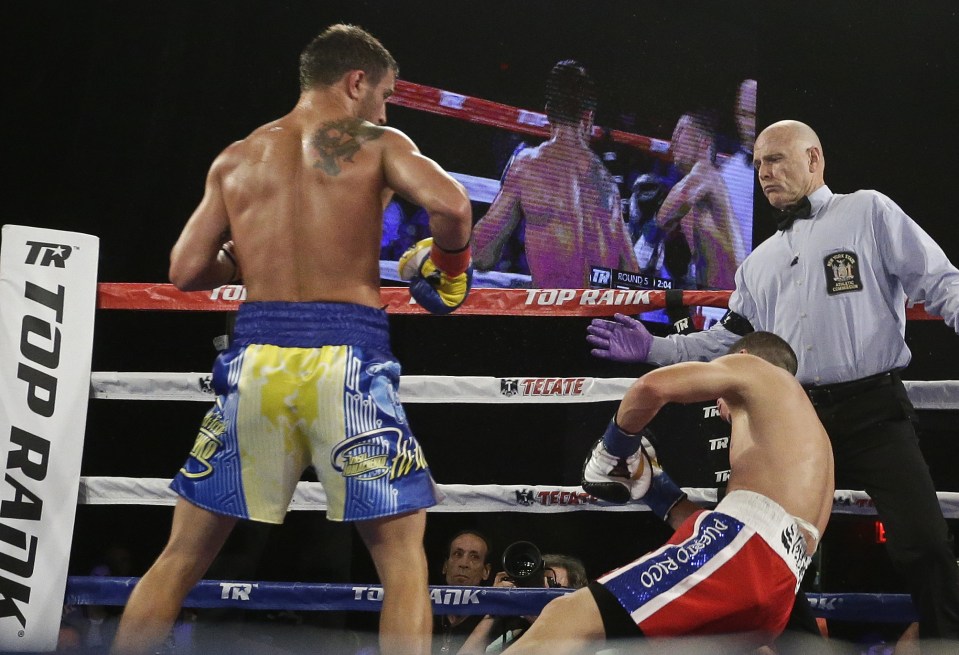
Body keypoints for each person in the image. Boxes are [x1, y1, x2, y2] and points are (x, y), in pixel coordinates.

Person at [110, 24, 473, 655]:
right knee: (403, 563)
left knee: (180, 558)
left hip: (255, 365)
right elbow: (454, 206)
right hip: (347, 365)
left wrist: (247, 252)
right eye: (384, 93)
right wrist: (450, 267)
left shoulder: (238, 155)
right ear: (355, 81)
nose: (386, 108)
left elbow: (186, 271)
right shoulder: (375, 141)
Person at [586, 119, 959, 641]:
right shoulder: (758, 264)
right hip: (795, 417)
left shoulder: (867, 211)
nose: (764, 172)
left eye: (776, 159)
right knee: (774, 556)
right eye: (758, 162)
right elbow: (728, 340)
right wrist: (654, 348)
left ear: (814, 158)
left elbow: (942, 283)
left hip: (874, 409)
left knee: (925, 542)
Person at [505, 331, 833, 653]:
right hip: (779, 590)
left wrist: (614, 448)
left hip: (746, 559)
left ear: (741, 357)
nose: (718, 405)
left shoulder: (755, 369)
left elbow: (652, 386)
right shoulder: (807, 446)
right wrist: (656, 490)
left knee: (565, 618)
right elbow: (751, 543)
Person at [471, 60, 639, 288]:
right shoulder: (608, 183)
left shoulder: (527, 164)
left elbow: (482, 255)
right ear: (589, 117)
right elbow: (631, 273)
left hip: (555, 311)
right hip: (600, 317)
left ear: (548, 113)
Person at [654, 111, 742, 290]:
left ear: (704, 143)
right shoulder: (694, 195)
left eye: (681, 132)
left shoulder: (706, 173)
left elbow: (663, 218)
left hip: (728, 300)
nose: (673, 139)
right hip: (711, 298)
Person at [458, 553, 588, 654]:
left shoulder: (588, 639)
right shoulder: (513, 636)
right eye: (540, 585)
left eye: (553, 585)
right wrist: (495, 607)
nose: (544, 593)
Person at [435, 530, 494, 654]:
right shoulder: (422, 613)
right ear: (445, 566)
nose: (464, 564)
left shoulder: (493, 621)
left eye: (474, 557)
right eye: (458, 554)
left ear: (486, 571)